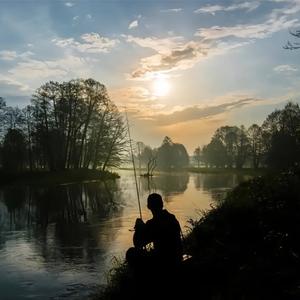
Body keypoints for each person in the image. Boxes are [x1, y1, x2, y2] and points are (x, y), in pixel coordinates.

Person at [126, 193, 183, 270]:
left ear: (148, 207)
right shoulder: (172, 217)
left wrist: (139, 229)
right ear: (162, 204)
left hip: (164, 261)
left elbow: (138, 243)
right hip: (177, 257)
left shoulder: (152, 224)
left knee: (131, 252)